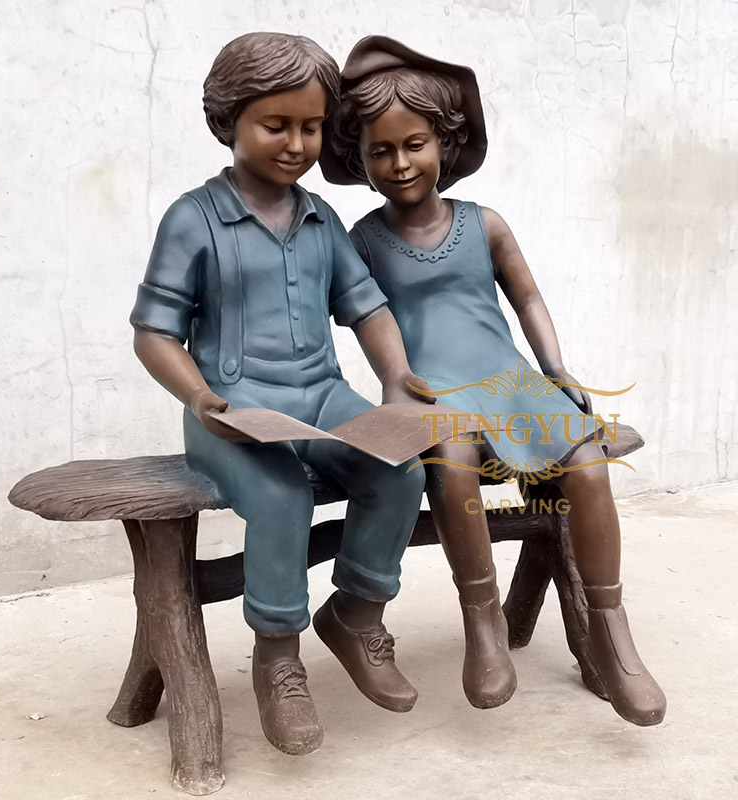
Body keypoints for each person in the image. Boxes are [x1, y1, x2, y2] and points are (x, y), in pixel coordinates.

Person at [321, 35, 666, 726]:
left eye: (413, 143)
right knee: (450, 463)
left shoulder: (485, 225)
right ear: (359, 159)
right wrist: (389, 384)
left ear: (444, 141)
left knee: (588, 464)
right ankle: (481, 621)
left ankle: (610, 628)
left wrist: (555, 366)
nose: (398, 162)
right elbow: (359, 315)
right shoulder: (360, 239)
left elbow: (527, 299)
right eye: (379, 151)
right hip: (434, 393)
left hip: (510, 381)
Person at [129, 32, 433, 756]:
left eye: (311, 126)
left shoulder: (322, 219)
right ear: (227, 121)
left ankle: (357, 613)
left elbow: (368, 307)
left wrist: (394, 378)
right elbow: (153, 333)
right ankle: (278, 656)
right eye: (276, 125)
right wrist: (202, 399)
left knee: (401, 468)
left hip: (321, 395)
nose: (297, 143)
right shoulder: (192, 219)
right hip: (233, 410)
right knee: (281, 498)